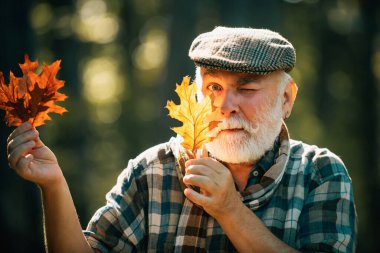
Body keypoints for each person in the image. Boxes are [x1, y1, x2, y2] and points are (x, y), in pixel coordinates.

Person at [7, 27, 357, 253]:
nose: (226, 106)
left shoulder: (321, 173)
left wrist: (229, 209)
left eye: (246, 89)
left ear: (287, 99)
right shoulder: (152, 171)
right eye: (214, 88)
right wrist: (53, 186)